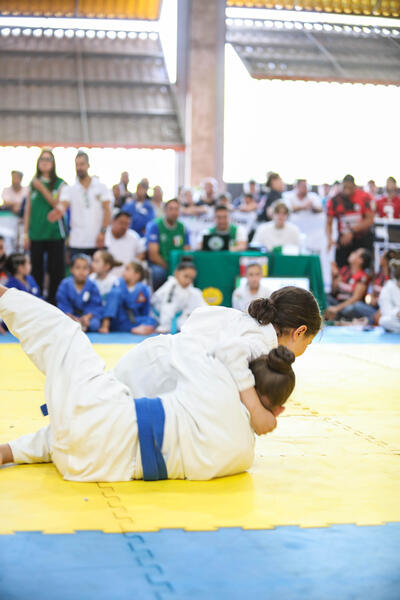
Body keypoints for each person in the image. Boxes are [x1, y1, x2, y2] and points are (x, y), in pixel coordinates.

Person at [0, 284, 296, 481]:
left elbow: (204, 337)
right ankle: (11, 451)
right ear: (279, 411)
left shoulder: (215, 376)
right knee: (91, 426)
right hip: (93, 466)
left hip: (101, 418)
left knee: (64, 334)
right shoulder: (244, 457)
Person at [113, 286, 322, 435]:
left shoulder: (247, 322)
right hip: (153, 376)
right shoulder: (261, 341)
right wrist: (257, 410)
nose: (304, 350)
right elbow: (229, 355)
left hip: (147, 360)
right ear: (300, 332)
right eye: (308, 342)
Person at [23, 149, 66, 305]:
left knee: (56, 271)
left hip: (54, 233)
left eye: (48, 159)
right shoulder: (32, 184)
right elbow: (28, 210)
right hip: (36, 234)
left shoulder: (60, 184)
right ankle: (37, 303)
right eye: (42, 159)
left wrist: (42, 187)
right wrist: (25, 233)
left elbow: (57, 204)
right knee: (36, 271)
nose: (45, 161)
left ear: (53, 163)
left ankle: (54, 303)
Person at [57, 151, 112, 259]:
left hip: (99, 240)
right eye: (77, 165)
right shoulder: (69, 189)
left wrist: (103, 232)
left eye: (82, 164)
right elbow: (62, 206)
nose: (79, 168)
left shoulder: (101, 187)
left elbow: (107, 210)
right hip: (78, 242)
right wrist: (58, 210)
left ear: (88, 165)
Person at [327, 174, 374, 268]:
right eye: (345, 187)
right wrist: (330, 239)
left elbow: (370, 219)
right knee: (339, 267)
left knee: (364, 267)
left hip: (362, 238)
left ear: (354, 187)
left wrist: (352, 231)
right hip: (344, 239)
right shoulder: (335, 200)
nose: (347, 189)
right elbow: (329, 222)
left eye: (350, 187)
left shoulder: (364, 197)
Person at [100, 261, 156, 335]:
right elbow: (111, 303)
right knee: (115, 293)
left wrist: (144, 322)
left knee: (151, 320)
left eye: (127, 269)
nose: (124, 272)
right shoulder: (118, 284)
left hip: (131, 321)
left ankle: (141, 328)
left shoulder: (143, 289)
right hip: (117, 319)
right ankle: (105, 324)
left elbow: (145, 311)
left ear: (137, 275)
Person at [151, 259, 206, 333]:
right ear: (176, 273)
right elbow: (167, 310)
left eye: (191, 278)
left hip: (179, 316)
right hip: (160, 318)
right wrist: (165, 326)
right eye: (186, 276)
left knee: (197, 293)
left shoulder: (190, 289)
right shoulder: (171, 287)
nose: (188, 281)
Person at [146, 198, 190, 290]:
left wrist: (179, 268)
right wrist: (170, 267)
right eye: (171, 209)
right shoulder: (155, 226)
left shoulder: (183, 228)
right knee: (158, 273)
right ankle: (156, 300)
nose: (174, 212)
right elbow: (153, 255)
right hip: (160, 264)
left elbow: (187, 251)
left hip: (178, 265)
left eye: (176, 209)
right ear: (165, 211)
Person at [325, 248, 375, 323]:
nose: (352, 253)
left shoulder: (362, 276)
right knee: (324, 296)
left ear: (360, 260)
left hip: (348, 306)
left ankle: (338, 318)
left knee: (354, 307)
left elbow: (355, 298)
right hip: (338, 302)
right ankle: (335, 318)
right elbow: (334, 291)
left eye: (355, 253)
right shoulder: (344, 270)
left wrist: (337, 308)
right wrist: (334, 276)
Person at [56, 254, 102, 332]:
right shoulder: (65, 284)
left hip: (86, 318)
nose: (81, 271)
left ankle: (81, 326)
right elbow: (62, 303)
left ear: (89, 270)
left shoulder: (92, 285)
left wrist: (87, 317)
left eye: (85, 268)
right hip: (69, 317)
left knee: (95, 324)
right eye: (78, 268)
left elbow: (96, 305)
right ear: (71, 269)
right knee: (61, 322)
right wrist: (71, 317)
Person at [105, 211, 145, 277]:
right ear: (113, 221)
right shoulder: (104, 235)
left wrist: (133, 265)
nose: (123, 226)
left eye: (127, 224)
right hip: (107, 275)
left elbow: (142, 253)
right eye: (121, 223)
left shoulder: (133, 236)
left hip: (127, 276)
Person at [378, 259, 400, 333]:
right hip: (396, 319)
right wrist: (397, 313)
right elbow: (386, 311)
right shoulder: (388, 288)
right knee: (384, 321)